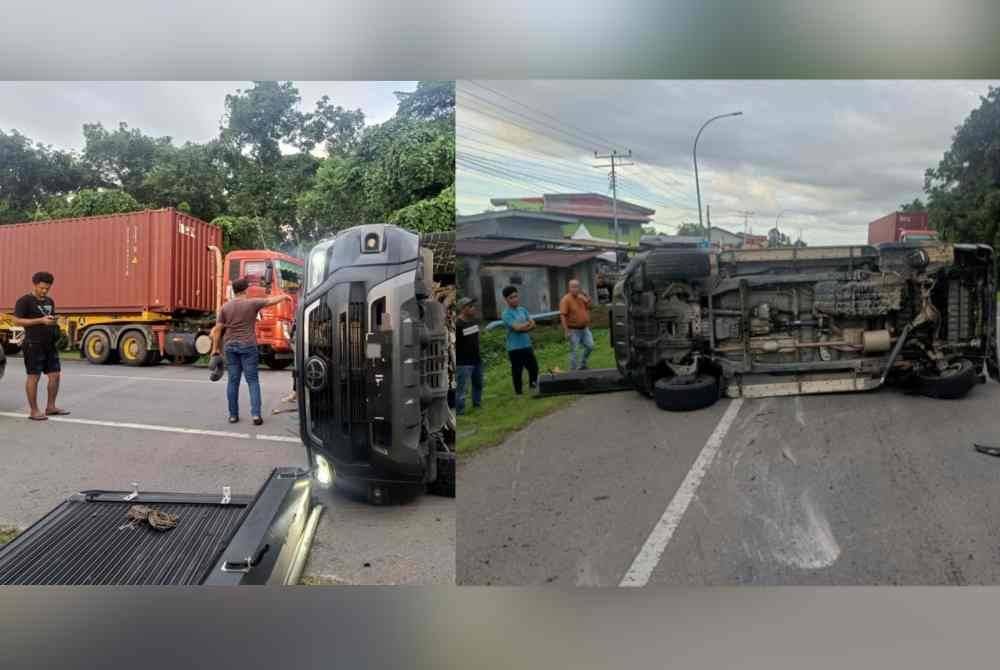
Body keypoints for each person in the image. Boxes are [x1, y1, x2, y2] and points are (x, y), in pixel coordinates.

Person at [210, 277, 291, 425]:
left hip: (230, 346)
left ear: (234, 291)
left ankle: (233, 415)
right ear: (245, 290)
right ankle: (256, 415)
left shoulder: (225, 307)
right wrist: (284, 296)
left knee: (233, 382)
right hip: (248, 346)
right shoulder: (252, 303)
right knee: (253, 381)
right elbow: (271, 301)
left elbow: (217, 331)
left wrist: (215, 350)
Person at [12, 271, 68, 421]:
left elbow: (49, 318)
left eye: (47, 288)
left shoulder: (49, 301)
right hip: (33, 344)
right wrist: (40, 321)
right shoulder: (24, 301)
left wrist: (55, 321)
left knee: (55, 375)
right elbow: (16, 321)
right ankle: (34, 410)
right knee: (33, 377)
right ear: (35, 285)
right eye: (42, 288)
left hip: (49, 344)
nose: (44, 291)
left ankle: (51, 407)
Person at [501, 286, 538, 395]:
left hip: (526, 344)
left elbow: (533, 324)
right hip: (514, 348)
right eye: (511, 298)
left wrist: (524, 327)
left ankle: (533, 387)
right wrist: (526, 325)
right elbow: (517, 328)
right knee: (517, 371)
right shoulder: (506, 314)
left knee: (534, 368)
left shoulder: (523, 310)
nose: (515, 299)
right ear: (506, 300)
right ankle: (519, 393)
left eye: (516, 296)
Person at [454, 297, 482, 415]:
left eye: (473, 306)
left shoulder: (474, 321)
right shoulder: (458, 325)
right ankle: (460, 410)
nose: (473, 308)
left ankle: (477, 404)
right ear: (463, 309)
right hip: (463, 362)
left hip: (476, 359)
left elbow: (476, 339)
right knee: (462, 388)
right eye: (470, 306)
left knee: (478, 383)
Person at [560, 278, 594, 371]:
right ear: (569, 288)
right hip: (573, 330)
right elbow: (562, 316)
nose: (575, 289)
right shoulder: (565, 299)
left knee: (590, 346)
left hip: (584, 328)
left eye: (577, 287)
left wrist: (587, 297)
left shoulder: (581, 297)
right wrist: (566, 331)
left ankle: (582, 364)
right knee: (574, 351)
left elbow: (590, 307)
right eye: (573, 287)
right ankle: (573, 370)